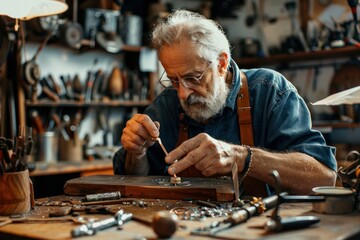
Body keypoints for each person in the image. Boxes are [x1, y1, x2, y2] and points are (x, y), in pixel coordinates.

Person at [113, 9, 337, 196]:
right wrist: (137, 153)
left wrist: (242, 158)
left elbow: (324, 177)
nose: (182, 93)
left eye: (193, 78)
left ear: (221, 63)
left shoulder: (269, 92)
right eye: (173, 79)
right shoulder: (166, 105)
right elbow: (134, 180)